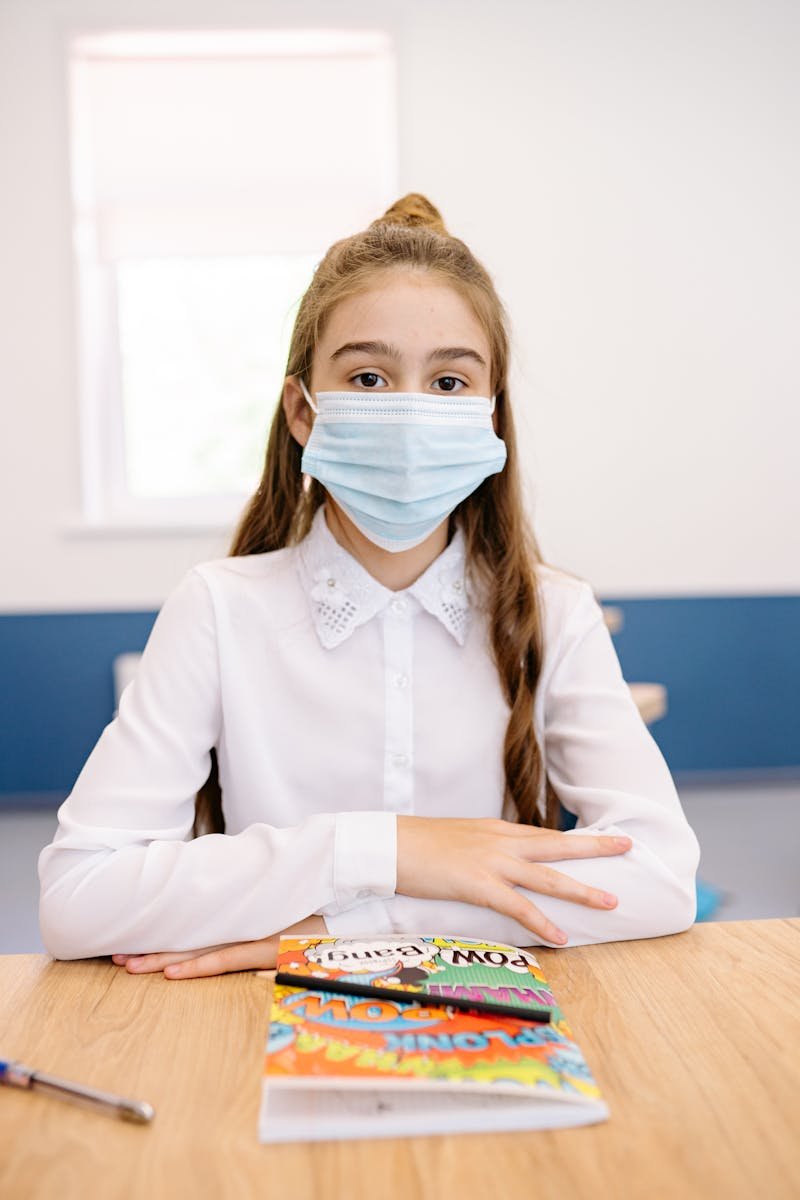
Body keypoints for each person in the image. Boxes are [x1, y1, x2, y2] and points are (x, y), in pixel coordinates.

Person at [38, 194, 700, 980]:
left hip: (477, 1020)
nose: (411, 411)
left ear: (491, 417)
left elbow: (659, 881)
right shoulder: (218, 607)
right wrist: (389, 848)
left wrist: (353, 920)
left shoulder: (556, 611)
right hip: (254, 1027)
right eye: (369, 375)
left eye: (450, 382)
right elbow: (78, 895)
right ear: (302, 412)